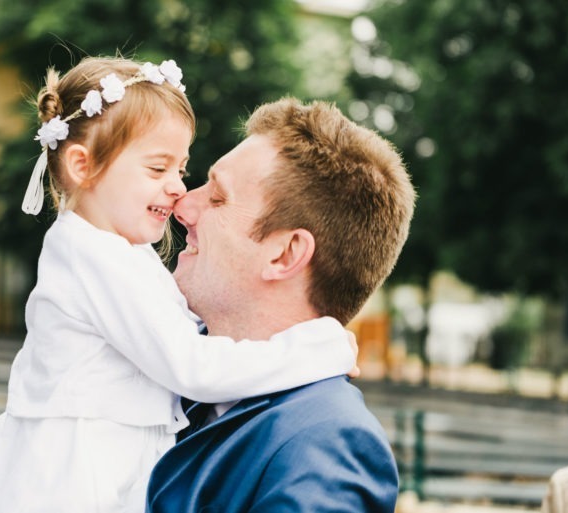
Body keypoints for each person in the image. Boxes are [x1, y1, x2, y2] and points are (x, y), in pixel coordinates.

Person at [0, 57, 357, 513]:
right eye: (158, 169)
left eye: (181, 168)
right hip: (78, 477)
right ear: (83, 165)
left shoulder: (117, 250)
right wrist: (314, 349)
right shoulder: (93, 256)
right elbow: (191, 365)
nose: (179, 187)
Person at [147, 98, 416, 512]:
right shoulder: (160, 365)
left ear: (285, 255)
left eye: (217, 198)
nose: (182, 206)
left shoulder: (326, 446)